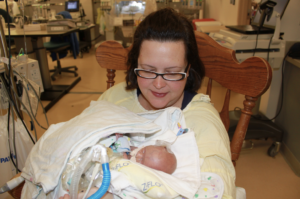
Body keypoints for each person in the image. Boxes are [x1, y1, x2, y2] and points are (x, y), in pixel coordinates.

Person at [61, 7, 235, 199]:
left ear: (188, 69)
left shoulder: (203, 124)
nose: (158, 84)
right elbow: (72, 147)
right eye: (148, 70)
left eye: (172, 72)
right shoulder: (114, 98)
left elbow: (219, 190)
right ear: (135, 64)